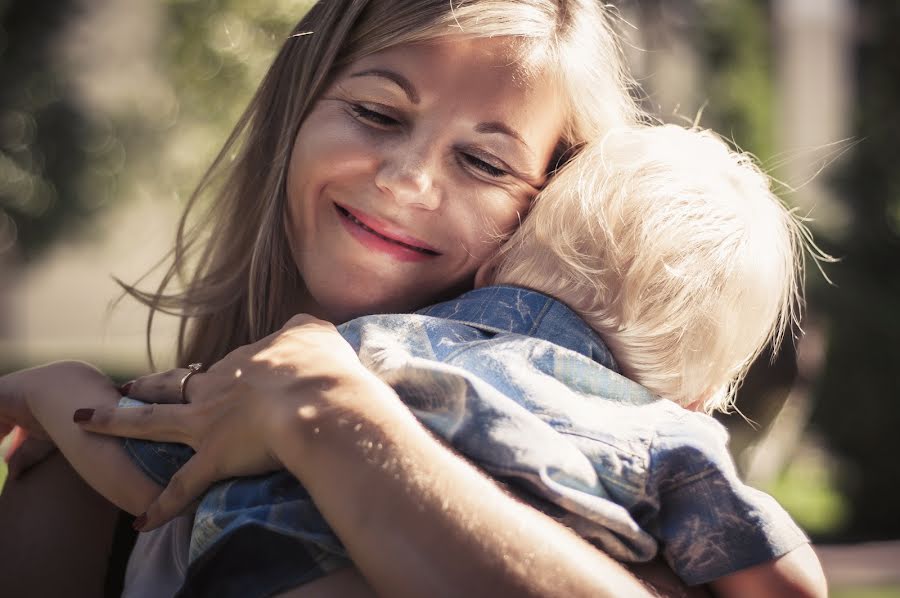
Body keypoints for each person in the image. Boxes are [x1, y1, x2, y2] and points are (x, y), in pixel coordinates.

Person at [0, 1, 822, 597]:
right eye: (374, 112)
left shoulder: (622, 499)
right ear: (297, 114)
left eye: (487, 163)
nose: (410, 180)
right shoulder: (77, 473)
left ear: (545, 205)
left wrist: (336, 419)